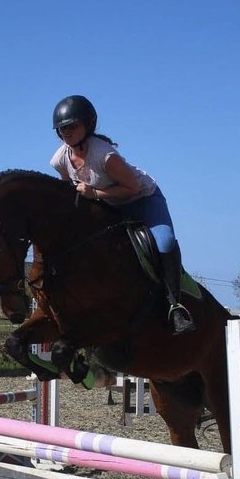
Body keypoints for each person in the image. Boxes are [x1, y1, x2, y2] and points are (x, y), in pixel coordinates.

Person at [49, 94, 195, 335]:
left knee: (165, 241)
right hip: (110, 204)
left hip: (142, 199)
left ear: (88, 124)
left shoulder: (105, 155)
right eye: (62, 128)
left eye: (72, 126)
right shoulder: (59, 160)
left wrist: (94, 193)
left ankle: (175, 307)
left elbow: (132, 188)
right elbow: (70, 193)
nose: (66, 131)